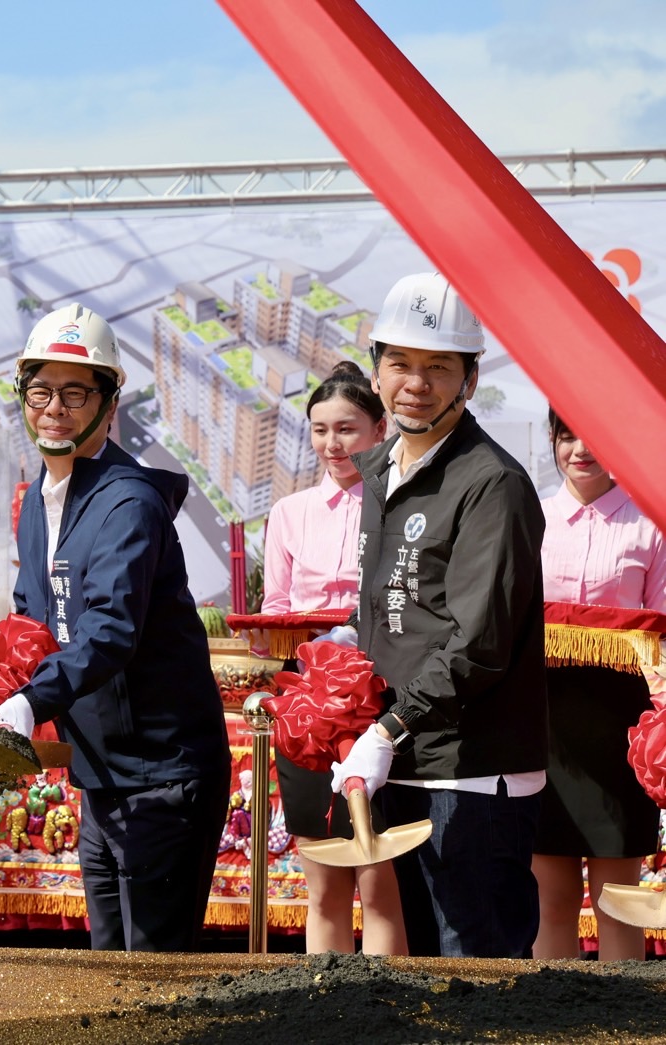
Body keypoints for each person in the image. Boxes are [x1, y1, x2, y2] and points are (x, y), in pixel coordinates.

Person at [0, 303, 231, 952]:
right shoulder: (40, 500)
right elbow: (31, 620)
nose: (54, 408)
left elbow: (109, 629)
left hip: (162, 776)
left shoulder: (129, 501)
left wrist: (34, 697)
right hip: (102, 777)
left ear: (109, 399)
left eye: (76, 391)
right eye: (40, 390)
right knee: (109, 970)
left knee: (152, 976)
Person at [329, 271, 548, 959]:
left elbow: (478, 642)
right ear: (376, 371)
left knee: (476, 979)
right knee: (423, 973)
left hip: (472, 772)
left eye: (437, 366)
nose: (415, 382)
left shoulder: (492, 483)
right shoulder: (380, 471)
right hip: (405, 759)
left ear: (469, 379)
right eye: (400, 363)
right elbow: (398, 610)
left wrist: (389, 725)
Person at [251, 361, 407, 955]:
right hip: (309, 699)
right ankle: (319, 1009)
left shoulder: (398, 510)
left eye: (346, 429)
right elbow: (275, 611)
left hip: (378, 695)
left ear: (379, 429)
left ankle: (391, 1012)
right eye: (319, 430)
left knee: (378, 874)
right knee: (321, 873)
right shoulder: (290, 513)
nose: (331, 444)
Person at [532, 408, 666, 961]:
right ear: (553, 441)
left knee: (617, 900)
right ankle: (545, 1027)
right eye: (566, 436)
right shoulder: (527, 516)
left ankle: (628, 1032)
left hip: (624, 729)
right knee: (551, 900)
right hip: (542, 724)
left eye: (596, 435)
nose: (581, 449)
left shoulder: (651, 525)